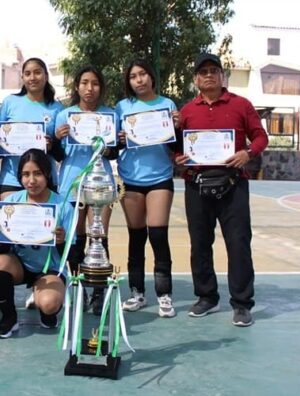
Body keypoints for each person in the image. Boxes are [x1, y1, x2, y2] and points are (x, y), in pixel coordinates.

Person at [175, 53, 268, 327]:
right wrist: (177, 159)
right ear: (195, 79)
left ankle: (241, 303)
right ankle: (206, 296)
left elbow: (261, 136)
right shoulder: (186, 112)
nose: (208, 75)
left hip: (233, 185)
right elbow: (175, 147)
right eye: (202, 71)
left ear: (221, 75)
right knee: (200, 245)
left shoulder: (241, 104)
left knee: (238, 244)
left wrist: (248, 153)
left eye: (213, 70)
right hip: (197, 185)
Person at [115, 59, 179, 317]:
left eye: (143, 74)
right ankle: (137, 293)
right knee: (136, 237)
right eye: (133, 76)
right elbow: (114, 144)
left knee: (158, 236)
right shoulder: (122, 107)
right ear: (128, 82)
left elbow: (175, 144)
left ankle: (164, 295)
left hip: (160, 178)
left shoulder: (167, 105)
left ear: (152, 77)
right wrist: (118, 139)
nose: (139, 80)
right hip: (130, 179)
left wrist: (178, 126)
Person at [0, 149, 74, 338]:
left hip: (49, 269)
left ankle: (46, 308)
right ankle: (9, 318)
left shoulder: (62, 206)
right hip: (21, 266)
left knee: (49, 304)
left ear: (47, 174)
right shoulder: (12, 202)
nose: (32, 180)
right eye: (26, 174)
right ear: (20, 177)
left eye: (37, 173)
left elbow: (72, 255)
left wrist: (61, 242)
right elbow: (2, 250)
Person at [53, 66, 118, 315]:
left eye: (95, 83)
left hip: (101, 184)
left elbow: (114, 151)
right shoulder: (65, 115)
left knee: (99, 235)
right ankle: (78, 287)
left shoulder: (110, 115)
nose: (89, 88)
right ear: (77, 87)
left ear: (101, 87)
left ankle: (99, 292)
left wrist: (112, 141)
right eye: (84, 83)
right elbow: (57, 154)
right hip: (73, 183)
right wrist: (59, 138)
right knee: (76, 238)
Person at [0, 57, 64, 200]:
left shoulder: (57, 108)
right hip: (11, 177)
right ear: (22, 77)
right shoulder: (10, 102)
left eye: (37, 72)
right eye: (27, 74)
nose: (32, 77)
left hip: (44, 178)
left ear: (46, 76)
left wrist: (51, 144)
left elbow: (60, 152)